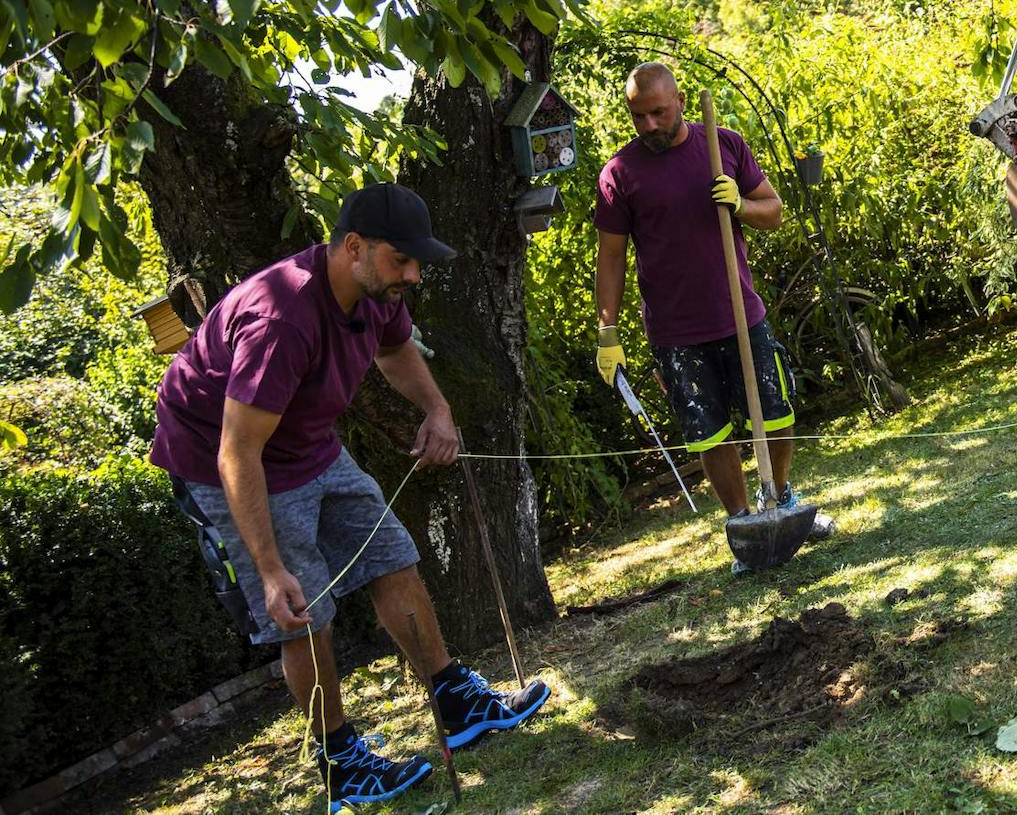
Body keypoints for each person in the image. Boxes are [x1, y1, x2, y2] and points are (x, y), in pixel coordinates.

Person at [150, 183, 548, 812]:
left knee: (392, 554)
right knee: (305, 613)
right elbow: (237, 451)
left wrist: (437, 409)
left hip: (311, 446)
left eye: (418, 262)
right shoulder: (280, 319)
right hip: (228, 463)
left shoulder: (375, 291)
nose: (413, 275)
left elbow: (395, 353)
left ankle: (454, 700)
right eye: (402, 260)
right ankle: (342, 765)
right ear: (354, 247)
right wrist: (269, 568)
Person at [593, 63, 833, 571]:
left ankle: (783, 499)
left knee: (775, 414)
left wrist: (739, 202)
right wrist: (607, 331)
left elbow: (774, 210)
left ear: (680, 100)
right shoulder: (620, 174)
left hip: (739, 312)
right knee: (709, 434)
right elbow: (610, 256)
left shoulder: (723, 145)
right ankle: (745, 528)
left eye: (658, 112)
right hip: (676, 331)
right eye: (639, 117)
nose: (649, 126)